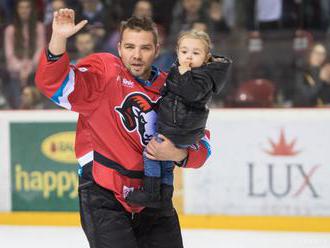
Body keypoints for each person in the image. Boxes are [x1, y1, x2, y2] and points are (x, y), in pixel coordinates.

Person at [35, 8, 212, 248]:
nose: (136, 55)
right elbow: (52, 83)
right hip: (104, 193)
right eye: (129, 47)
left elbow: (202, 146)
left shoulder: (173, 89)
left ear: (157, 51)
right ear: (119, 48)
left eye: (145, 48)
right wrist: (58, 39)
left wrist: (178, 154)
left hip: (154, 197)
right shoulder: (104, 74)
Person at [126, 30, 231, 208]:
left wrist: (184, 74)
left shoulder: (202, 76)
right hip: (176, 127)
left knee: (151, 154)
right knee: (166, 164)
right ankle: (165, 194)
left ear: (206, 58)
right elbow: (170, 89)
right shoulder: (178, 69)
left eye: (195, 53)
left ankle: (151, 192)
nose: (188, 57)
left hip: (180, 129)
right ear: (177, 52)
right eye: (184, 52)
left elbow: (190, 93)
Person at [4, 0, 45, 109]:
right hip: (16, 71)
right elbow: (9, 54)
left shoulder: (39, 27)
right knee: (12, 78)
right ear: (17, 10)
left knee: (37, 77)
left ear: (32, 10)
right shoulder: (10, 30)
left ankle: (37, 107)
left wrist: (30, 67)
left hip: (35, 70)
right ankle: (15, 107)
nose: (24, 10)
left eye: (27, 7)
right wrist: (21, 67)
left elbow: (41, 49)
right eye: (21, 7)